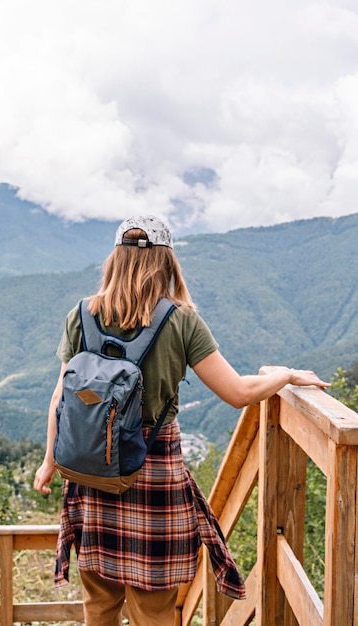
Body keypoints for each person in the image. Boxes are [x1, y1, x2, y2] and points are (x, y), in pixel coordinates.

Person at [34, 215, 329, 626]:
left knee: (98, 605)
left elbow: (59, 397)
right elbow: (237, 394)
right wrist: (285, 375)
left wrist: (50, 461)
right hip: (152, 475)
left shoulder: (81, 314)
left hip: (88, 473)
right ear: (166, 261)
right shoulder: (180, 321)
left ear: (114, 258)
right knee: (153, 610)